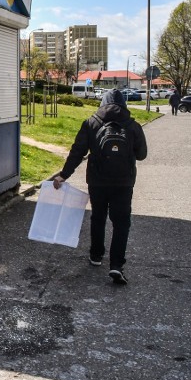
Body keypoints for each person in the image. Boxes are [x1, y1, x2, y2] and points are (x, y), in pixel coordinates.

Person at [53, 88, 147, 285]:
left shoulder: (91, 123)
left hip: (97, 181)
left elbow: (77, 151)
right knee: (121, 223)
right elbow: (141, 155)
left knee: (98, 217)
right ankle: (116, 265)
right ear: (124, 104)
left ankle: (96, 255)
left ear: (102, 103)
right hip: (123, 182)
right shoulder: (133, 125)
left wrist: (64, 175)